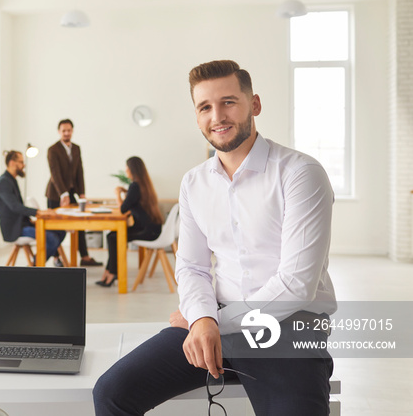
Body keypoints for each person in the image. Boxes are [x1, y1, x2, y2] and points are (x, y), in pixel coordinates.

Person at [93, 60, 337, 415]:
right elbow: (191, 266)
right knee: (112, 392)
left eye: (228, 102)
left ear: (254, 105)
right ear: (197, 116)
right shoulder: (194, 182)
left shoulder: (301, 173)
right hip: (213, 322)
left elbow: (297, 284)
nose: (217, 116)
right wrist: (203, 318)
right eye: (205, 107)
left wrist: (208, 322)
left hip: (286, 328)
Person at [96, 157, 162, 288]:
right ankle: (110, 272)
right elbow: (133, 204)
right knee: (112, 236)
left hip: (148, 232)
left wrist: (117, 194)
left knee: (113, 237)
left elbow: (122, 209)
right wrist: (126, 192)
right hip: (153, 229)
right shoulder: (143, 184)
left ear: (132, 170)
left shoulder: (135, 186)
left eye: (127, 167)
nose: (125, 170)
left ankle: (112, 273)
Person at [46, 118, 102, 267]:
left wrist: (82, 194)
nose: (66, 133)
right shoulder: (53, 149)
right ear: (59, 132)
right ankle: (56, 258)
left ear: (72, 131)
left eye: (69, 130)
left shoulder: (76, 148)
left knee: (80, 222)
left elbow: (79, 172)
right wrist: (63, 194)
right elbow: (55, 173)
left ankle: (85, 256)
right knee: (55, 227)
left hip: (72, 192)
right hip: (55, 194)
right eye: (63, 130)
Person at [0, 150, 66, 263]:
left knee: (61, 231)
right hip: (15, 229)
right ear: (12, 163)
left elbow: (18, 208)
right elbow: (15, 207)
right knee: (51, 238)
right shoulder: (4, 182)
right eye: (21, 162)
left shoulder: (11, 180)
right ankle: (36, 265)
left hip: (22, 225)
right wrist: (39, 212)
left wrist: (31, 221)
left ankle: (35, 263)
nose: (24, 165)